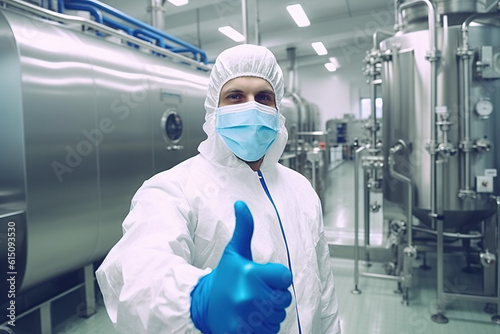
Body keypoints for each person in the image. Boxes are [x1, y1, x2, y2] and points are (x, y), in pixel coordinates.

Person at [96, 44, 341, 333]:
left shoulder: (299, 187)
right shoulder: (174, 189)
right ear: (214, 108)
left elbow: (323, 288)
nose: (251, 106)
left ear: (277, 110)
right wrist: (197, 299)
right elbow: (137, 270)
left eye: (263, 97)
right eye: (235, 96)